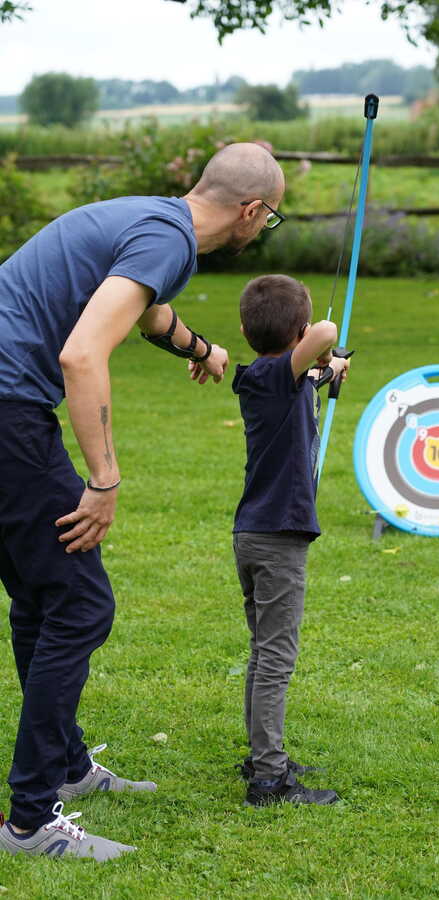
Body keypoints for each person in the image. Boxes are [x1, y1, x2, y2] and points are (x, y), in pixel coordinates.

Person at [0, 143, 285, 860]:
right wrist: (104, 480)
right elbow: (81, 353)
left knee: (43, 594)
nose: (264, 228)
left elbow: (144, 312)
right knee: (82, 603)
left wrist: (198, 347)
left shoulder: (149, 221)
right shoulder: (168, 239)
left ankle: (64, 768)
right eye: (269, 220)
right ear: (251, 212)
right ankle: (31, 821)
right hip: (7, 408)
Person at [232, 274, 350, 807]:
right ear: (300, 333)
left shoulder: (265, 377)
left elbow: (307, 368)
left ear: (243, 328)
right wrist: (320, 347)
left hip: (254, 533)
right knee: (277, 656)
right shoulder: (281, 374)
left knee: (263, 652)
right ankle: (270, 780)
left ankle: (263, 756)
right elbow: (324, 331)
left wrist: (329, 370)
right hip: (278, 538)